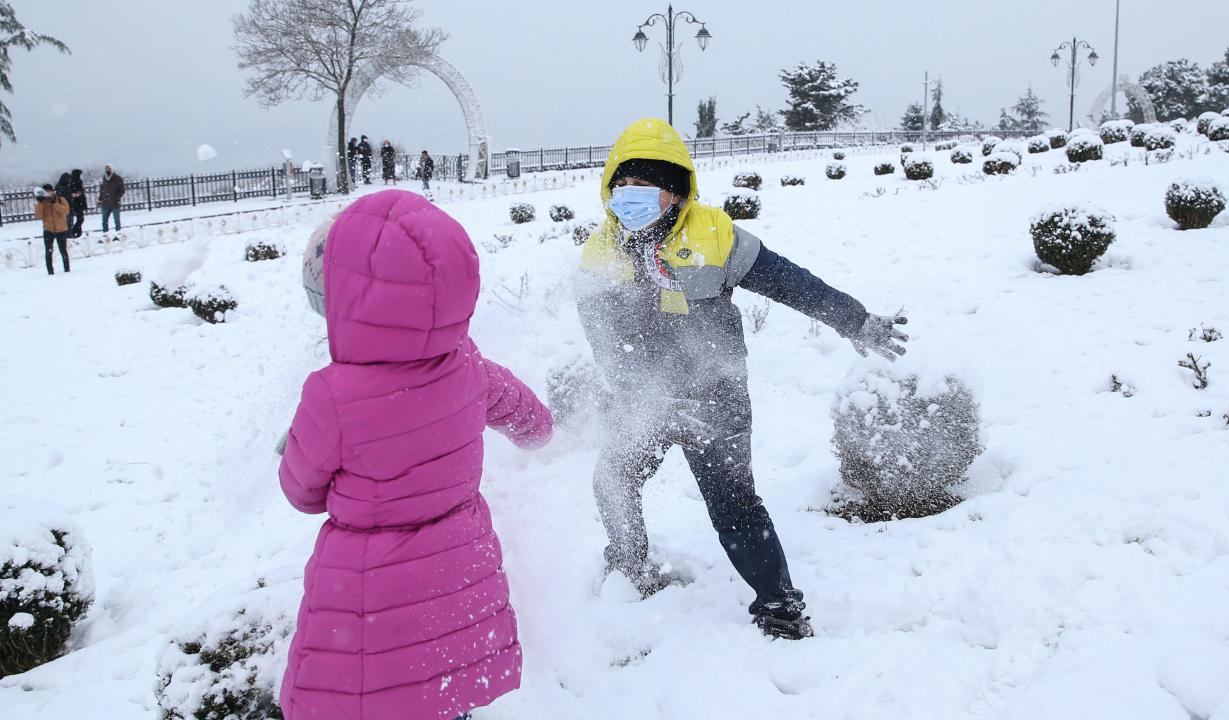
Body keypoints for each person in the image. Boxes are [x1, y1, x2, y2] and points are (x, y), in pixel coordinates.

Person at [574, 118, 909, 640]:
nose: (630, 196)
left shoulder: (715, 235)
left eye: (646, 186)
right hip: (644, 398)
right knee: (613, 480)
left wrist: (853, 319)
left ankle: (779, 605)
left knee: (733, 503)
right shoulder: (601, 251)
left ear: (676, 190)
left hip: (714, 398)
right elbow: (603, 338)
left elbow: (789, 282)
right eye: (623, 184)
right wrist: (634, 392)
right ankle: (630, 563)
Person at [278, 189, 553, 720]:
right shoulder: (466, 363)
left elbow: (301, 490)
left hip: (371, 595)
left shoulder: (332, 395)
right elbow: (523, 411)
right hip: (460, 572)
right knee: (443, 692)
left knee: (381, 697)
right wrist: (540, 435)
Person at [34, 183, 71, 275]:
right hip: (48, 229)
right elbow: (38, 216)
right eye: (46, 192)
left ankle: (67, 269)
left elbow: (66, 211)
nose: (48, 193)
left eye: (49, 191)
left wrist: (55, 203)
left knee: (63, 250)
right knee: (48, 251)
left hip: (61, 229)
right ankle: (50, 271)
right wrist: (40, 203)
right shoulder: (42, 203)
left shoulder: (60, 199)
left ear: (53, 191)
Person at [98, 164, 126, 233]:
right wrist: (100, 198)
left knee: (116, 220)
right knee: (104, 221)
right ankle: (106, 235)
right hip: (105, 203)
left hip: (114, 203)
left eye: (109, 168)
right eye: (106, 168)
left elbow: (122, 190)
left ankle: (118, 234)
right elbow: (102, 189)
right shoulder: (104, 177)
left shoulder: (118, 178)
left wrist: (116, 197)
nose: (107, 170)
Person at [67, 169, 87, 238]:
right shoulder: (75, 182)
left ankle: (78, 232)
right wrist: (78, 194)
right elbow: (74, 192)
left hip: (78, 202)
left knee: (80, 218)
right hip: (77, 203)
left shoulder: (74, 181)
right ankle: (75, 231)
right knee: (80, 218)